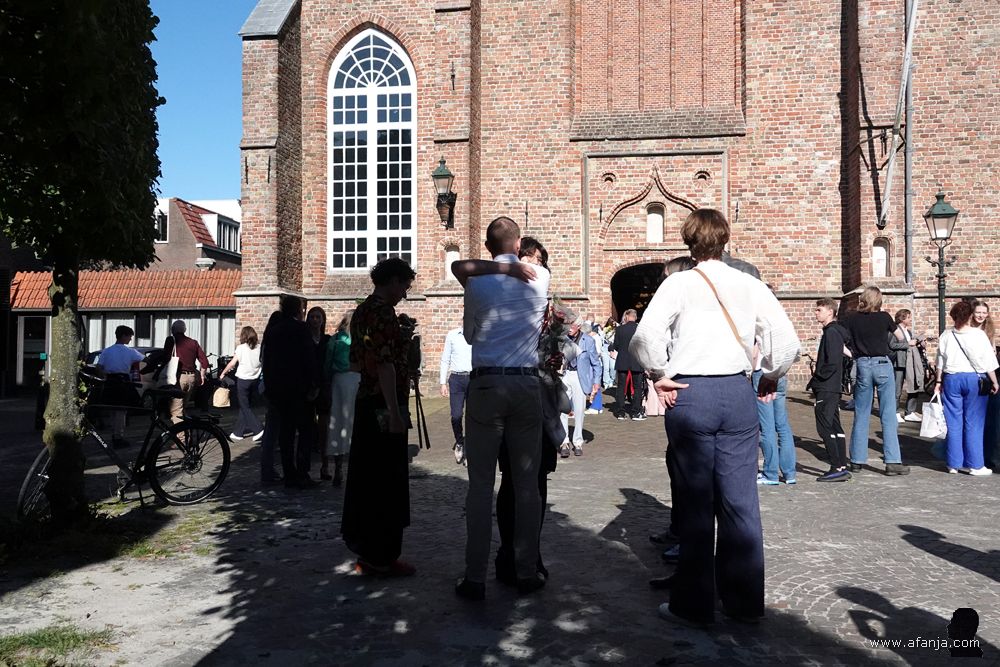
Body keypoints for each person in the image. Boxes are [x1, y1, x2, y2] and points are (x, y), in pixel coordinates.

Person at [630, 208, 800, 627]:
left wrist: (659, 375)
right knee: (741, 501)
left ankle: (694, 604)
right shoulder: (749, 284)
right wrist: (771, 375)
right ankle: (743, 603)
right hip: (738, 391)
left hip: (691, 394)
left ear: (689, 242)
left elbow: (645, 338)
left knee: (695, 503)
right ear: (725, 240)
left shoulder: (679, 284)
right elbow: (787, 341)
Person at [455, 217, 551, 601]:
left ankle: (475, 577)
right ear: (519, 243)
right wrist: (511, 264)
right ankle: (526, 570)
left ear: (487, 244)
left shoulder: (478, 282)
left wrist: (496, 265)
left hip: (486, 383)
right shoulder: (539, 276)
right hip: (526, 383)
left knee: (480, 485)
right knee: (527, 485)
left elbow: (468, 334)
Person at [341, 258, 417, 577]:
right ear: (392, 281)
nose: (404, 293)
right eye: (404, 286)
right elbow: (384, 365)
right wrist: (395, 414)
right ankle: (382, 556)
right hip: (384, 405)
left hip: (365, 401)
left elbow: (356, 362)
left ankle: (367, 550)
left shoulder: (361, 311)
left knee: (367, 477)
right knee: (388, 480)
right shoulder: (384, 313)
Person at [843, 286, 910, 476]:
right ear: (879, 301)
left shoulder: (851, 319)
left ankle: (856, 460)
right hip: (882, 364)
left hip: (862, 365)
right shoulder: (884, 317)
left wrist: (853, 354)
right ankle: (892, 461)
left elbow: (839, 342)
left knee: (861, 413)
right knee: (887, 414)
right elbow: (900, 337)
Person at [934, 300, 999, 475]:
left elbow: (940, 361)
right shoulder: (978, 336)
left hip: (951, 379)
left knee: (954, 423)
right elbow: (989, 363)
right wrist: (995, 382)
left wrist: (938, 381)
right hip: (973, 379)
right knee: (974, 422)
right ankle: (975, 464)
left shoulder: (946, 335)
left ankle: (953, 463)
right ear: (970, 315)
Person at [261, 296, 319, 489]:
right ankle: (302, 473)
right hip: (299, 389)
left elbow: (267, 361)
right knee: (304, 432)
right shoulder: (301, 329)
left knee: (285, 434)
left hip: (278, 389)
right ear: (298, 310)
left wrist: (269, 387)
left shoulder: (273, 331)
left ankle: (289, 474)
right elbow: (308, 358)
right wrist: (314, 384)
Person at [808, 298, 853, 482]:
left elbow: (832, 362)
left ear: (830, 312)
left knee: (825, 427)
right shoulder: (834, 332)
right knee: (834, 426)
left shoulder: (832, 333)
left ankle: (836, 466)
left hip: (827, 386)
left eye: (819, 310)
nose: (816, 313)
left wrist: (818, 377)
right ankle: (841, 465)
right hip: (831, 386)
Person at [324, 310, 359, 487]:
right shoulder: (361, 339)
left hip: (339, 381)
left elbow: (328, 364)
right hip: (356, 380)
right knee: (354, 422)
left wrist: (326, 383)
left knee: (337, 422)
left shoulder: (335, 339)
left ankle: (338, 466)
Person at [559, 316, 600, 457]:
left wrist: (596, 381)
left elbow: (595, 362)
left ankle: (577, 441)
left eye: (571, 325)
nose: (568, 328)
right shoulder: (562, 339)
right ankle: (563, 441)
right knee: (562, 409)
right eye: (567, 325)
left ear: (578, 326)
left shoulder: (588, 341)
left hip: (580, 376)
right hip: (564, 375)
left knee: (579, 409)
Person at [98, 325, 144, 448]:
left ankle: (114, 433)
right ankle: (118, 437)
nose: (130, 340)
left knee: (112, 411)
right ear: (123, 336)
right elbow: (146, 360)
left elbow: (99, 367)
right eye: (129, 337)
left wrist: (103, 378)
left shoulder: (106, 351)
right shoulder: (130, 352)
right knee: (121, 411)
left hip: (109, 381)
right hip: (123, 382)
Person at [220, 326, 264, 442]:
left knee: (244, 406)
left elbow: (232, 364)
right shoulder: (260, 348)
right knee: (245, 406)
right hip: (255, 381)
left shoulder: (241, 348)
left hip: (243, 381)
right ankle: (237, 432)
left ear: (243, 336)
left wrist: (223, 373)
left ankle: (258, 429)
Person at [162, 320, 209, 424]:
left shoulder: (171, 340)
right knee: (183, 409)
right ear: (185, 330)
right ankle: (186, 434)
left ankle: (181, 439)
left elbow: (165, 357)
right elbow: (204, 362)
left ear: (173, 330)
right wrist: (201, 375)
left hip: (177, 378)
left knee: (176, 412)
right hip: (191, 378)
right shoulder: (193, 342)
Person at [971, 300, 1000, 468]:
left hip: (989, 375)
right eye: (978, 312)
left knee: (992, 418)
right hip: (973, 375)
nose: (981, 315)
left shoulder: (989, 330)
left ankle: (991, 456)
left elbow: (992, 353)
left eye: (984, 312)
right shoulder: (967, 329)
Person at [439, 325, 473, 465]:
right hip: (456, 379)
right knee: (456, 415)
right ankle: (459, 441)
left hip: (473, 378)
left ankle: (471, 448)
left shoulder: (477, 335)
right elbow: (445, 359)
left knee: (473, 416)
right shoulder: (453, 335)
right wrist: (442, 383)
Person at [307, 306, 333, 480]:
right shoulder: (304, 340)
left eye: (318, 317)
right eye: (312, 317)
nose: (315, 320)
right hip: (308, 389)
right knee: (307, 429)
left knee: (324, 430)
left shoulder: (327, 340)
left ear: (323, 320)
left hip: (323, 389)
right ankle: (305, 469)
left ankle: (325, 466)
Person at [610, 309, 646, 421]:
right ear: (635, 317)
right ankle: (636, 412)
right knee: (637, 387)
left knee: (621, 387)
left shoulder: (620, 329)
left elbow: (616, 346)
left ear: (627, 316)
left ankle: (621, 412)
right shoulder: (640, 329)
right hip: (636, 360)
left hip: (623, 360)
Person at [891, 309, 924, 423]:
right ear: (902, 318)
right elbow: (891, 345)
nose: (910, 319)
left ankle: (910, 411)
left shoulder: (908, 332)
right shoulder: (894, 331)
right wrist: (908, 344)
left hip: (910, 363)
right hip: (899, 364)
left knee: (914, 386)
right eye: (909, 317)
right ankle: (894, 412)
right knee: (897, 389)